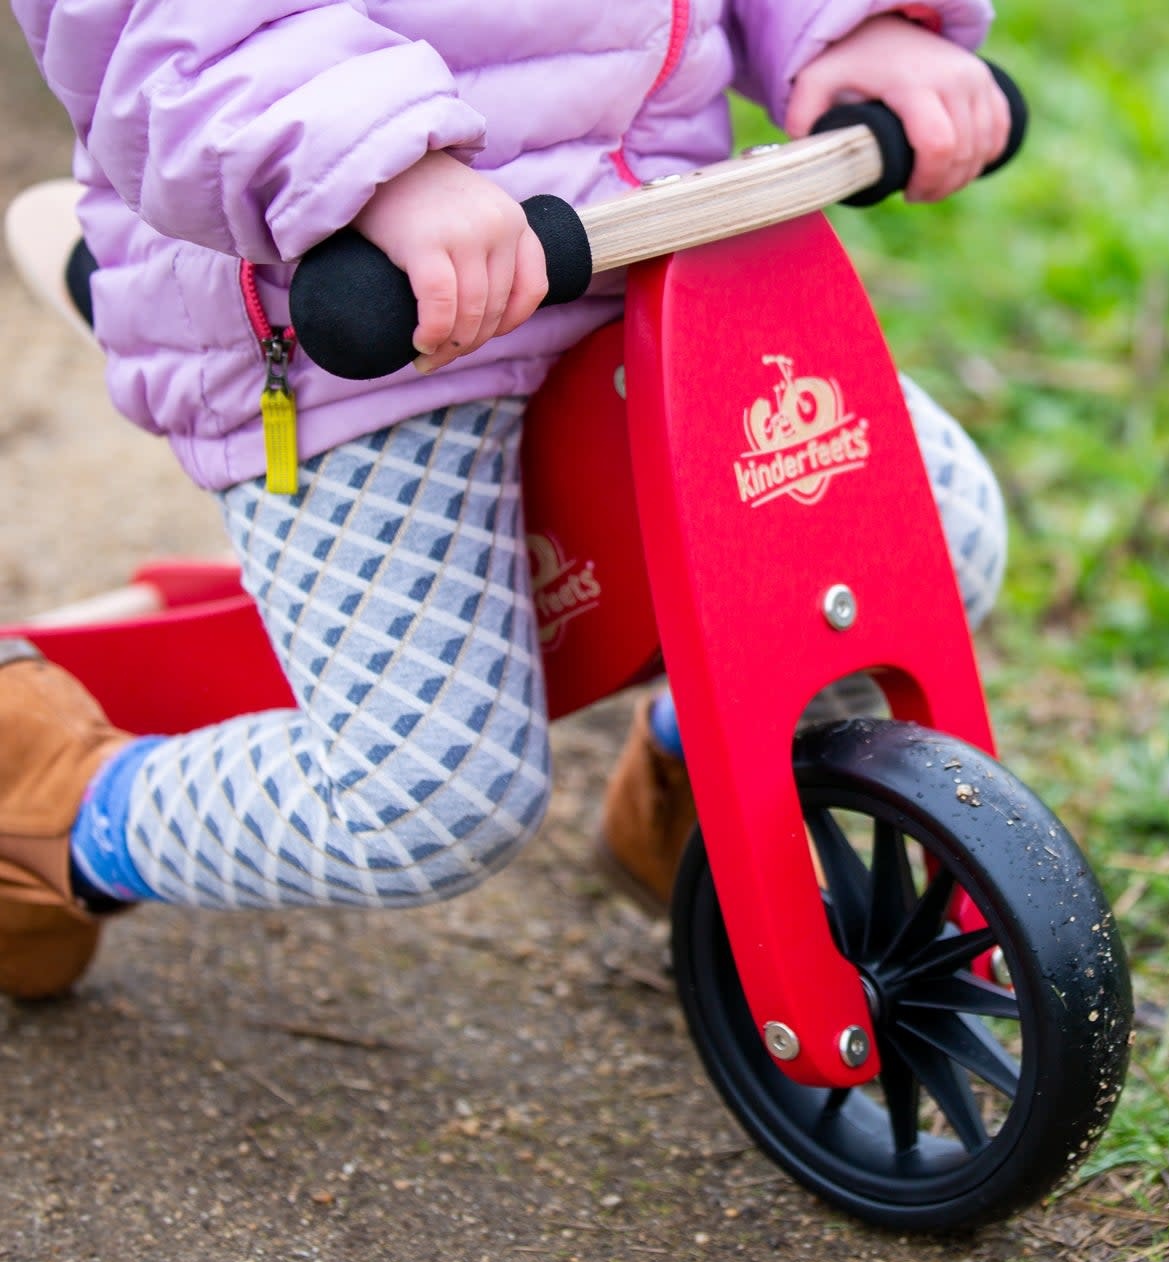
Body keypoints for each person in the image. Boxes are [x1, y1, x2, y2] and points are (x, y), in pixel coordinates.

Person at [0, 1, 1012, 999]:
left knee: (931, 541)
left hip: (644, 238)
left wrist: (851, 23)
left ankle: (705, 781)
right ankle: (61, 810)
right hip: (369, 314)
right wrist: (370, 156)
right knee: (429, 795)